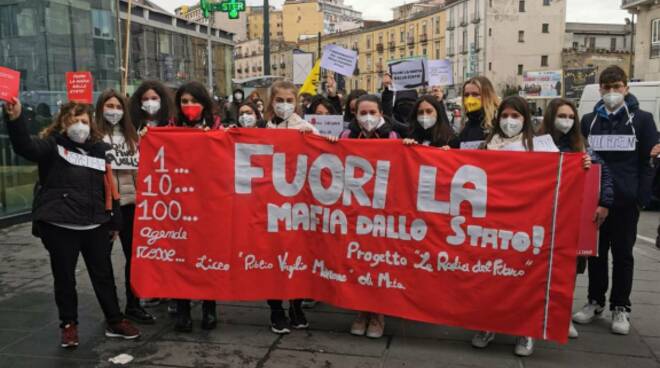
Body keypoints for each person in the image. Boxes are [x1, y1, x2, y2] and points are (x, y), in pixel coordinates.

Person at [3, 98, 140, 348]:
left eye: (84, 121)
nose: (79, 126)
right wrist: (15, 119)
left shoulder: (99, 149)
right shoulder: (52, 146)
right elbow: (25, 148)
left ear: (91, 124)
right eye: (73, 121)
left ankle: (115, 320)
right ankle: (69, 325)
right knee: (64, 278)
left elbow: (109, 186)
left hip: (95, 224)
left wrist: (115, 221)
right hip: (60, 225)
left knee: (104, 275)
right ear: (63, 124)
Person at [573, 65, 659, 335]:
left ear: (626, 88)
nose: (612, 92)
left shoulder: (643, 120)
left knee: (623, 255)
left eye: (617, 87)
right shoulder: (588, 120)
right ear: (600, 89)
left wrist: (640, 197)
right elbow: (581, 158)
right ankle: (595, 301)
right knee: (595, 254)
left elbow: (650, 161)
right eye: (607, 88)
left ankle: (621, 307)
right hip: (594, 201)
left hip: (625, 202)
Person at [542, 98, 614, 338]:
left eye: (571, 117)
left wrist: (605, 202)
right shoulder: (539, 143)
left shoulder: (582, 146)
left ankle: (562, 316)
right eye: (562, 116)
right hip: (542, 218)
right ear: (551, 118)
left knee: (569, 270)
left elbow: (602, 175)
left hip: (571, 220)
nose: (567, 121)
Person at [471, 96, 537, 356]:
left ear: (525, 119)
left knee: (524, 277)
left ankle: (525, 330)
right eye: (505, 116)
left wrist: (582, 165)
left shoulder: (539, 145)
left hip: (526, 222)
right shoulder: (487, 145)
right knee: (490, 276)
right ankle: (487, 324)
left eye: (516, 116)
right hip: (492, 222)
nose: (509, 121)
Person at [330, 95, 399, 338]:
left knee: (378, 261)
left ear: (381, 113)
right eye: (362, 113)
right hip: (354, 208)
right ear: (355, 115)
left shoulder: (392, 135)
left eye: (372, 112)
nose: (368, 117)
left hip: (381, 209)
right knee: (357, 261)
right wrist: (330, 144)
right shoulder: (347, 135)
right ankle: (360, 311)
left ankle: (378, 314)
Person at [96, 89, 155, 325]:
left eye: (119, 107)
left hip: (131, 205)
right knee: (103, 260)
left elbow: (139, 171)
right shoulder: (94, 136)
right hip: (105, 207)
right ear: (101, 108)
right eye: (109, 106)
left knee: (134, 258)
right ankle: (111, 310)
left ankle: (133, 304)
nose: (114, 111)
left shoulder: (133, 137)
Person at [264, 80, 317, 334]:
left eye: (289, 100)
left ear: (296, 103)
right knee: (272, 256)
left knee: (298, 255)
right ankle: (276, 310)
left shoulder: (306, 128)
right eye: (279, 100)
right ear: (271, 103)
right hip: (269, 205)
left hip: (298, 205)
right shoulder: (263, 129)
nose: (284, 105)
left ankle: (296, 306)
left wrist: (322, 140)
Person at [173, 81, 219, 332]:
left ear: (204, 103)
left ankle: (209, 307)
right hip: (180, 202)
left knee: (208, 256)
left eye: (194, 101)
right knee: (181, 256)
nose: (189, 106)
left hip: (210, 204)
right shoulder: (169, 129)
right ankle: (182, 308)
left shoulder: (219, 128)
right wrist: (149, 138)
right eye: (184, 101)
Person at [454, 76, 500, 149]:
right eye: (466, 95)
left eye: (475, 94)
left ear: (487, 96)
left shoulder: (498, 122)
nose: (470, 98)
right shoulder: (466, 125)